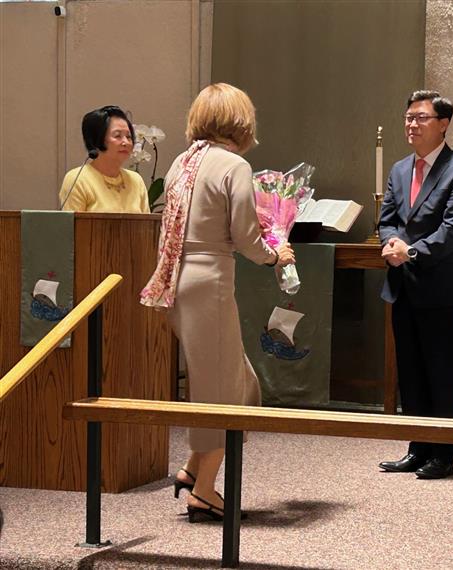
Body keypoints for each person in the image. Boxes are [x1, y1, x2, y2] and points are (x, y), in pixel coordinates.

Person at [140, 83, 295, 522]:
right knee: (222, 391)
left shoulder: (182, 162)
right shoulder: (233, 165)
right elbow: (245, 237)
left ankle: (193, 470)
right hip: (209, 280)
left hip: (178, 278)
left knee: (237, 382)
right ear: (239, 122)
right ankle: (204, 491)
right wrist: (276, 254)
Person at [377, 90, 453, 479]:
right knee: (411, 371)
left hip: (438, 286)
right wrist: (391, 242)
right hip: (402, 284)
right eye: (409, 118)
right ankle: (417, 448)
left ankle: (444, 454)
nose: (412, 125)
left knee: (440, 371)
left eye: (421, 118)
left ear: (443, 124)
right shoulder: (400, 169)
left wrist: (412, 251)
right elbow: (387, 218)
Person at [59, 105, 149, 213]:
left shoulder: (136, 180)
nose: (126, 142)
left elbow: (146, 222)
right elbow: (72, 223)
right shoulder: (77, 179)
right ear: (98, 139)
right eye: (117, 136)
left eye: (129, 137)